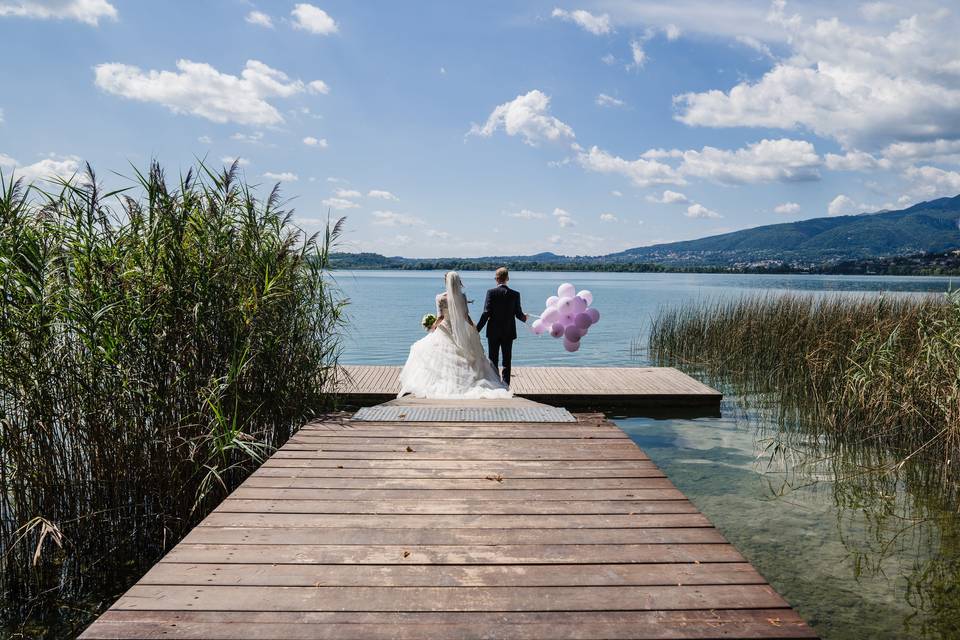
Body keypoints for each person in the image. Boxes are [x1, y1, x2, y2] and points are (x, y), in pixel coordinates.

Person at [397, 271, 510, 399]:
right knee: (463, 356)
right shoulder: (462, 297)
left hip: (444, 329)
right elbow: (465, 316)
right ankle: (465, 382)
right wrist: (473, 328)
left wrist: (432, 327)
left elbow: (440, 317)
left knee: (440, 357)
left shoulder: (440, 298)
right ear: (458, 282)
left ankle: (444, 381)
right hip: (459, 330)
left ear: (446, 282)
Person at [476, 267, 527, 386]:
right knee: (507, 359)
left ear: (496, 279)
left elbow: (486, 313)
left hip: (493, 332)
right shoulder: (515, 294)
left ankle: (494, 383)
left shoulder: (491, 293)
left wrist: (477, 330)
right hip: (508, 332)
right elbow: (518, 314)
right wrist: (525, 318)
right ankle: (506, 384)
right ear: (507, 278)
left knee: (493, 359)